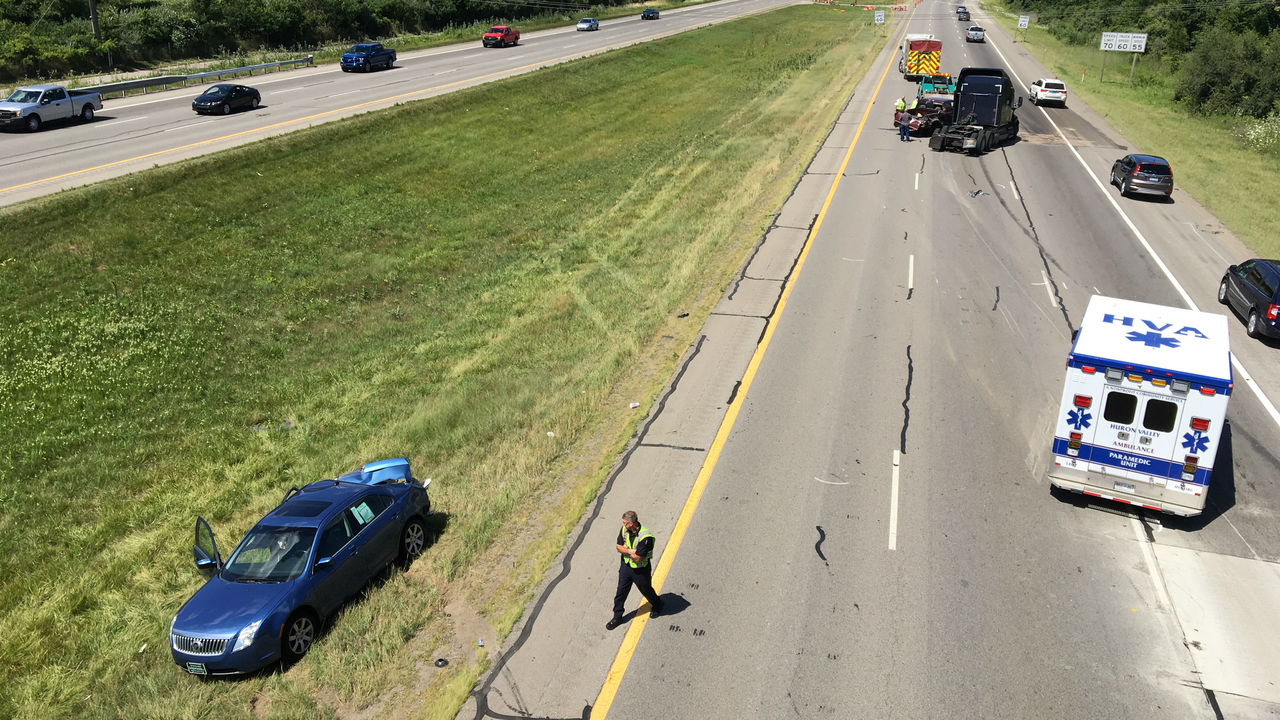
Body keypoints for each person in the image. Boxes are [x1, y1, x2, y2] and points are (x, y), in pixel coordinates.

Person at [607, 511, 664, 630]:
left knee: (646, 590)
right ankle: (617, 616)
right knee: (620, 592)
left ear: (631, 523)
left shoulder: (645, 537)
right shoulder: (624, 530)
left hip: (640, 570)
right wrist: (630, 551)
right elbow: (618, 547)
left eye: (625, 523)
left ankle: (658, 604)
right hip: (626, 567)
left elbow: (638, 559)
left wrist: (627, 549)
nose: (622, 525)